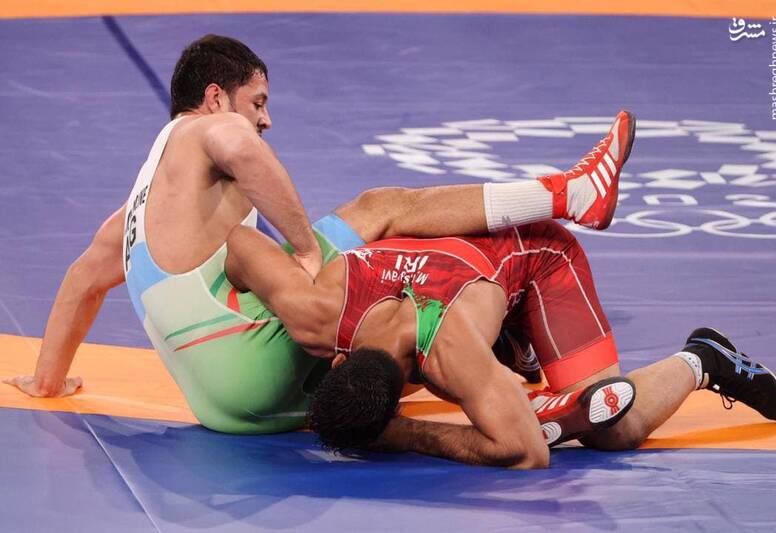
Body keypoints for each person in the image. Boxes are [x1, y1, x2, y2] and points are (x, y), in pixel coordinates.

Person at [4, 34, 632, 434]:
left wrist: (47, 382)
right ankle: (571, 194)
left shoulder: (137, 212)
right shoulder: (204, 129)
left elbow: (82, 283)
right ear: (216, 97)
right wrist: (305, 247)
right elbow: (240, 149)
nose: (266, 120)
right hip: (251, 363)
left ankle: (525, 394)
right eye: (258, 102)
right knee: (385, 219)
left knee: (368, 345)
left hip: (230, 413)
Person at [223, 215, 776, 469]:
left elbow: (526, 454)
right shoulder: (316, 308)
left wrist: (403, 434)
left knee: (613, 428)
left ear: (337, 360)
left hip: (536, 257)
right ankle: (514, 358)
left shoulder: (449, 351)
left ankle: (703, 359)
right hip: (463, 261)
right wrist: (300, 259)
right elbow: (239, 244)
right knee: (520, 392)